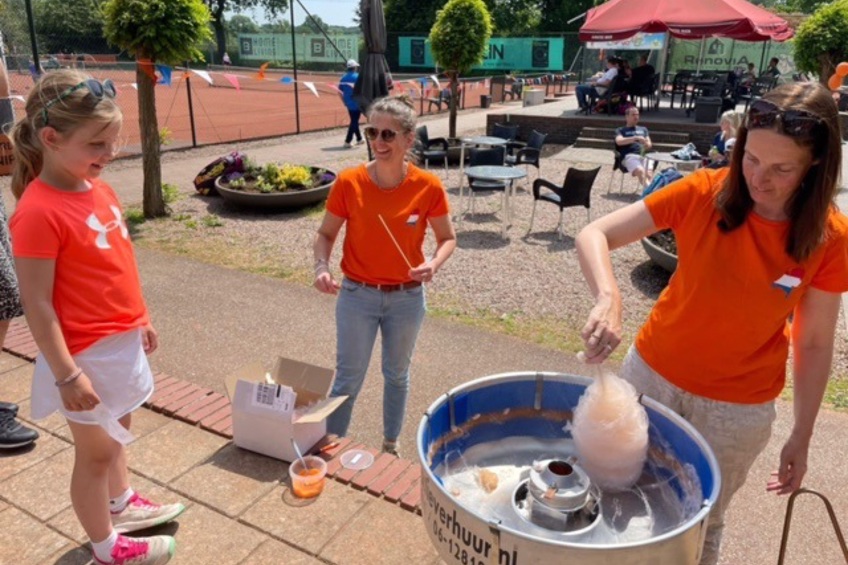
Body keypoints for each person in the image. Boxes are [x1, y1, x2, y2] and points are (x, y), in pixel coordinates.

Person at [575, 82, 848, 565]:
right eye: (751, 159)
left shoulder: (830, 236)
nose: (759, 179)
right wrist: (609, 296)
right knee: (612, 488)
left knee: (699, 520)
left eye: (782, 168)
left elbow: (813, 342)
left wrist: (801, 435)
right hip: (650, 378)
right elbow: (595, 233)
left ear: (816, 164)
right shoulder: (704, 191)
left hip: (736, 412)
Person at [9, 70, 185, 565]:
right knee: (96, 454)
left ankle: (120, 502)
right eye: (96, 144)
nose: (109, 153)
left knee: (117, 434)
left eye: (112, 141)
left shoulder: (97, 188)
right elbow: (38, 304)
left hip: (118, 343)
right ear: (51, 138)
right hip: (84, 355)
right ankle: (107, 546)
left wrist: (141, 316)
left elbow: (117, 263)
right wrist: (67, 375)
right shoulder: (37, 212)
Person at [313, 96, 456, 456]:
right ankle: (328, 446)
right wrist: (321, 267)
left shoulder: (428, 186)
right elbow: (325, 234)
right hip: (357, 295)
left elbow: (447, 238)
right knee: (348, 379)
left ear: (408, 139)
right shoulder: (349, 182)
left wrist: (433, 264)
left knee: (396, 375)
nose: (378, 141)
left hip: (407, 298)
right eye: (372, 132)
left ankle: (390, 446)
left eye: (388, 134)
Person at [614, 106, 652, 189]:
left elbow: (649, 144)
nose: (636, 117)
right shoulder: (621, 130)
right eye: (633, 115)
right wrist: (634, 138)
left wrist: (646, 144)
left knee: (648, 174)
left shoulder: (643, 129)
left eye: (637, 115)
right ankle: (652, 193)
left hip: (643, 155)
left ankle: (649, 192)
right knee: (640, 171)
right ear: (626, 117)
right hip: (629, 157)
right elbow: (619, 141)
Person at [338, 59, 363, 148]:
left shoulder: (343, 78)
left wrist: (344, 102)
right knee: (354, 121)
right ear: (355, 67)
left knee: (354, 120)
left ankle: (359, 138)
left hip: (348, 103)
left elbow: (339, 92)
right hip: (357, 102)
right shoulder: (358, 77)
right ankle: (347, 141)